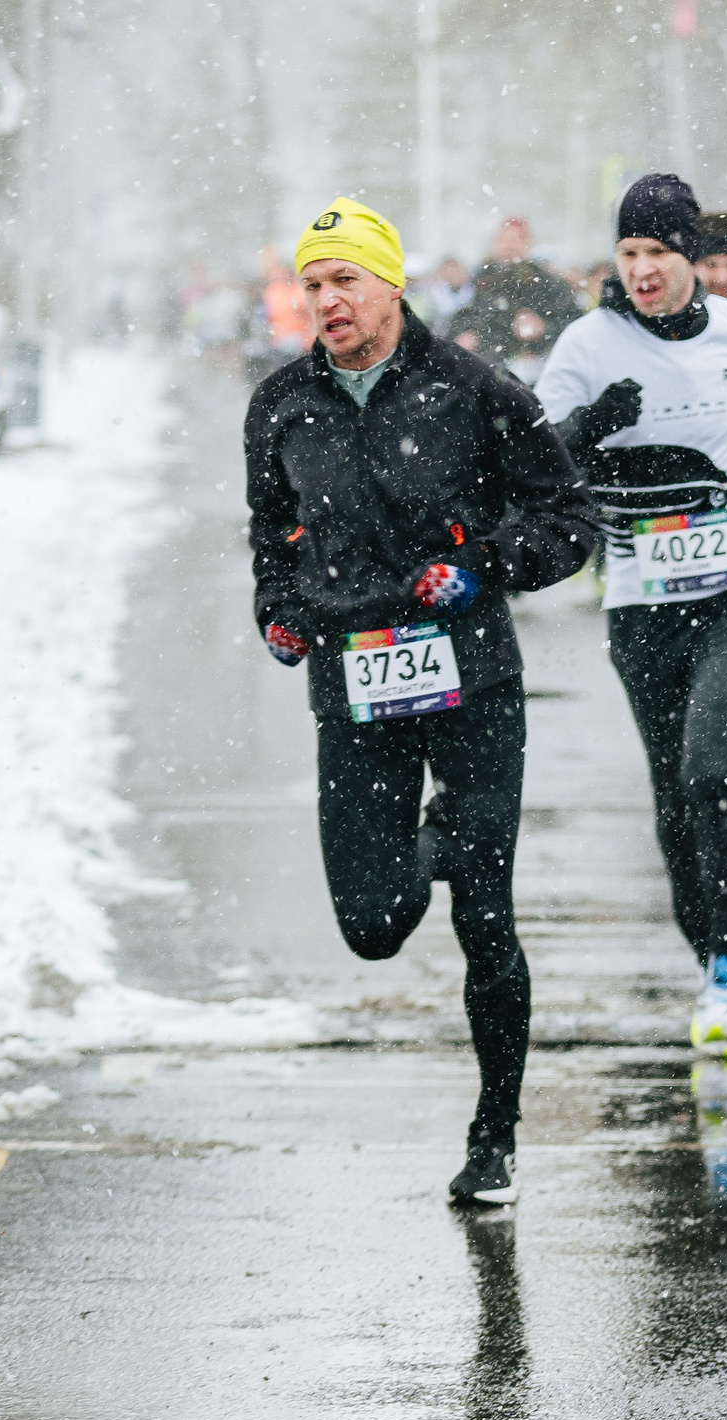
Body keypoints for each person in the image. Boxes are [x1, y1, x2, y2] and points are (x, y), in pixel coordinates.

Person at [244, 197, 600, 1207]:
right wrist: (278, 612)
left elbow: (565, 517)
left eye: (344, 279)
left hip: (469, 678)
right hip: (353, 684)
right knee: (370, 922)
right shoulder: (280, 405)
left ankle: (495, 1137)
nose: (326, 300)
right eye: (313, 284)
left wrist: (486, 566)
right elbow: (271, 536)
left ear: (391, 283)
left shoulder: (472, 388)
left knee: (486, 915)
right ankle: (440, 842)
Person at [537, 174, 727, 1052]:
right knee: (672, 791)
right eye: (629, 254)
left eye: (659, 252)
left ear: (690, 255)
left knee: (713, 765)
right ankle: (711, 956)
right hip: (644, 599)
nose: (643, 270)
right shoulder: (585, 344)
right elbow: (530, 464)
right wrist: (588, 428)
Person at [452, 215, 582, 378]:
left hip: (534, 370)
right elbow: (463, 315)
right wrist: (464, 334)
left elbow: (574, 323)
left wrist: (543, 328)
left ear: (527, 243)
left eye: (514, 239)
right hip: (488, 368)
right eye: (502, 239)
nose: (508, 246)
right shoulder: (482, 280)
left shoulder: (546, 283)